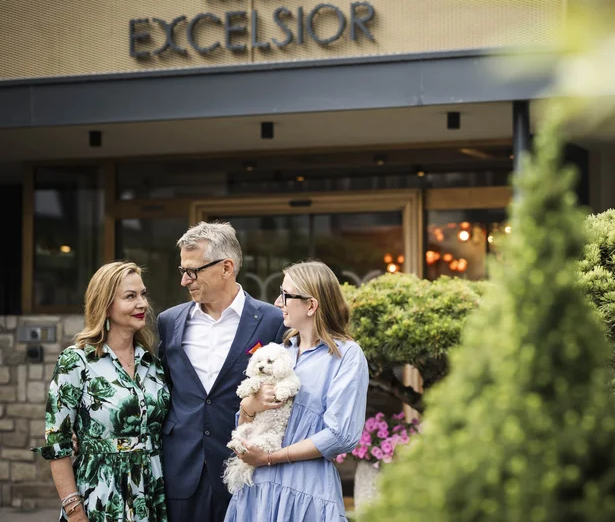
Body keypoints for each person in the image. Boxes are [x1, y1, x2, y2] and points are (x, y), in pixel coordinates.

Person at [157, 222, 286, 522]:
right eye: (182, 270)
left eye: (193, 271)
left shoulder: (271, 321)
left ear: (226, 267)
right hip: (181, 469)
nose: (185, 281)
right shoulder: (169, 321)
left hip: (245, 468)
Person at [225, 260, 369, 522]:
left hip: (306, 489)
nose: (278, 302)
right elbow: (246, 424)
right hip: (257, 490)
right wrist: (249, 407)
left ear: (311, 305)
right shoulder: (280, 354)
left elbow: (340, 434)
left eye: (285, 295)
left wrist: (270, 457)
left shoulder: (347, 356)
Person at [33, 261, 169, 522]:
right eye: (130, 296)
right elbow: (57, 443)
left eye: (143, 294)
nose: (142, 303)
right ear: (105, 305)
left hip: (152, 494)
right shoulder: (77, 361)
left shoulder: (152, 363)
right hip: (100, 496)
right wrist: (74, 511)